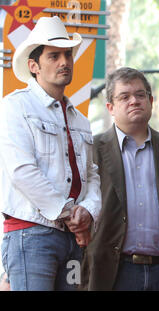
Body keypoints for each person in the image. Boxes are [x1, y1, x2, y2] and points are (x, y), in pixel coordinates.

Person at [0, 16, 101, 291]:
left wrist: (89, 212)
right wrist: (71, 214)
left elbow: (92, 174)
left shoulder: (81, 120)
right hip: (31, 232)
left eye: (67, 54)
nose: (64, 62)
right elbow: (22, 171)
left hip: (72, 238)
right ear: (34, 66)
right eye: (54, 56)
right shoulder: (14, 106)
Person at [80, 67, 159, 291]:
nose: (134, 101)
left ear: (151, 101)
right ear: (111, 108)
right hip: (111, 274)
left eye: (140, 95)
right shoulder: (91, 151)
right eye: (124, 97)